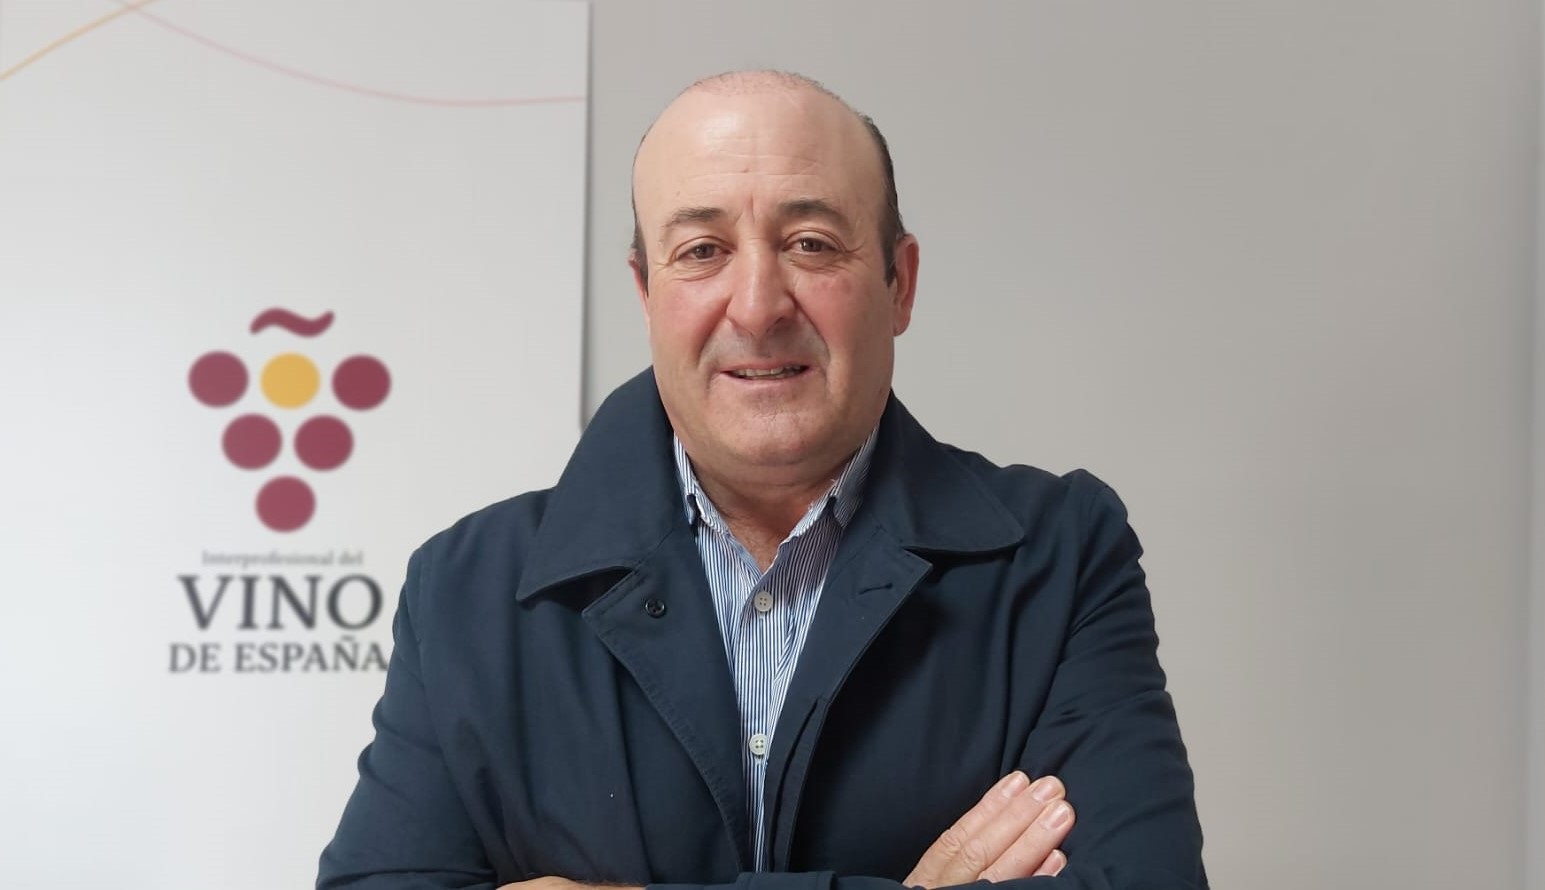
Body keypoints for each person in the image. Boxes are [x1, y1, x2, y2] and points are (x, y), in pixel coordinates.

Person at [318, 70, 1207, 890]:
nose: (756, 305)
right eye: (701, 250)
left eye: (810, 244)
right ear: (646, 294)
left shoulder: (1059, 556)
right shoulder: (465, 591)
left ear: (899, 284)